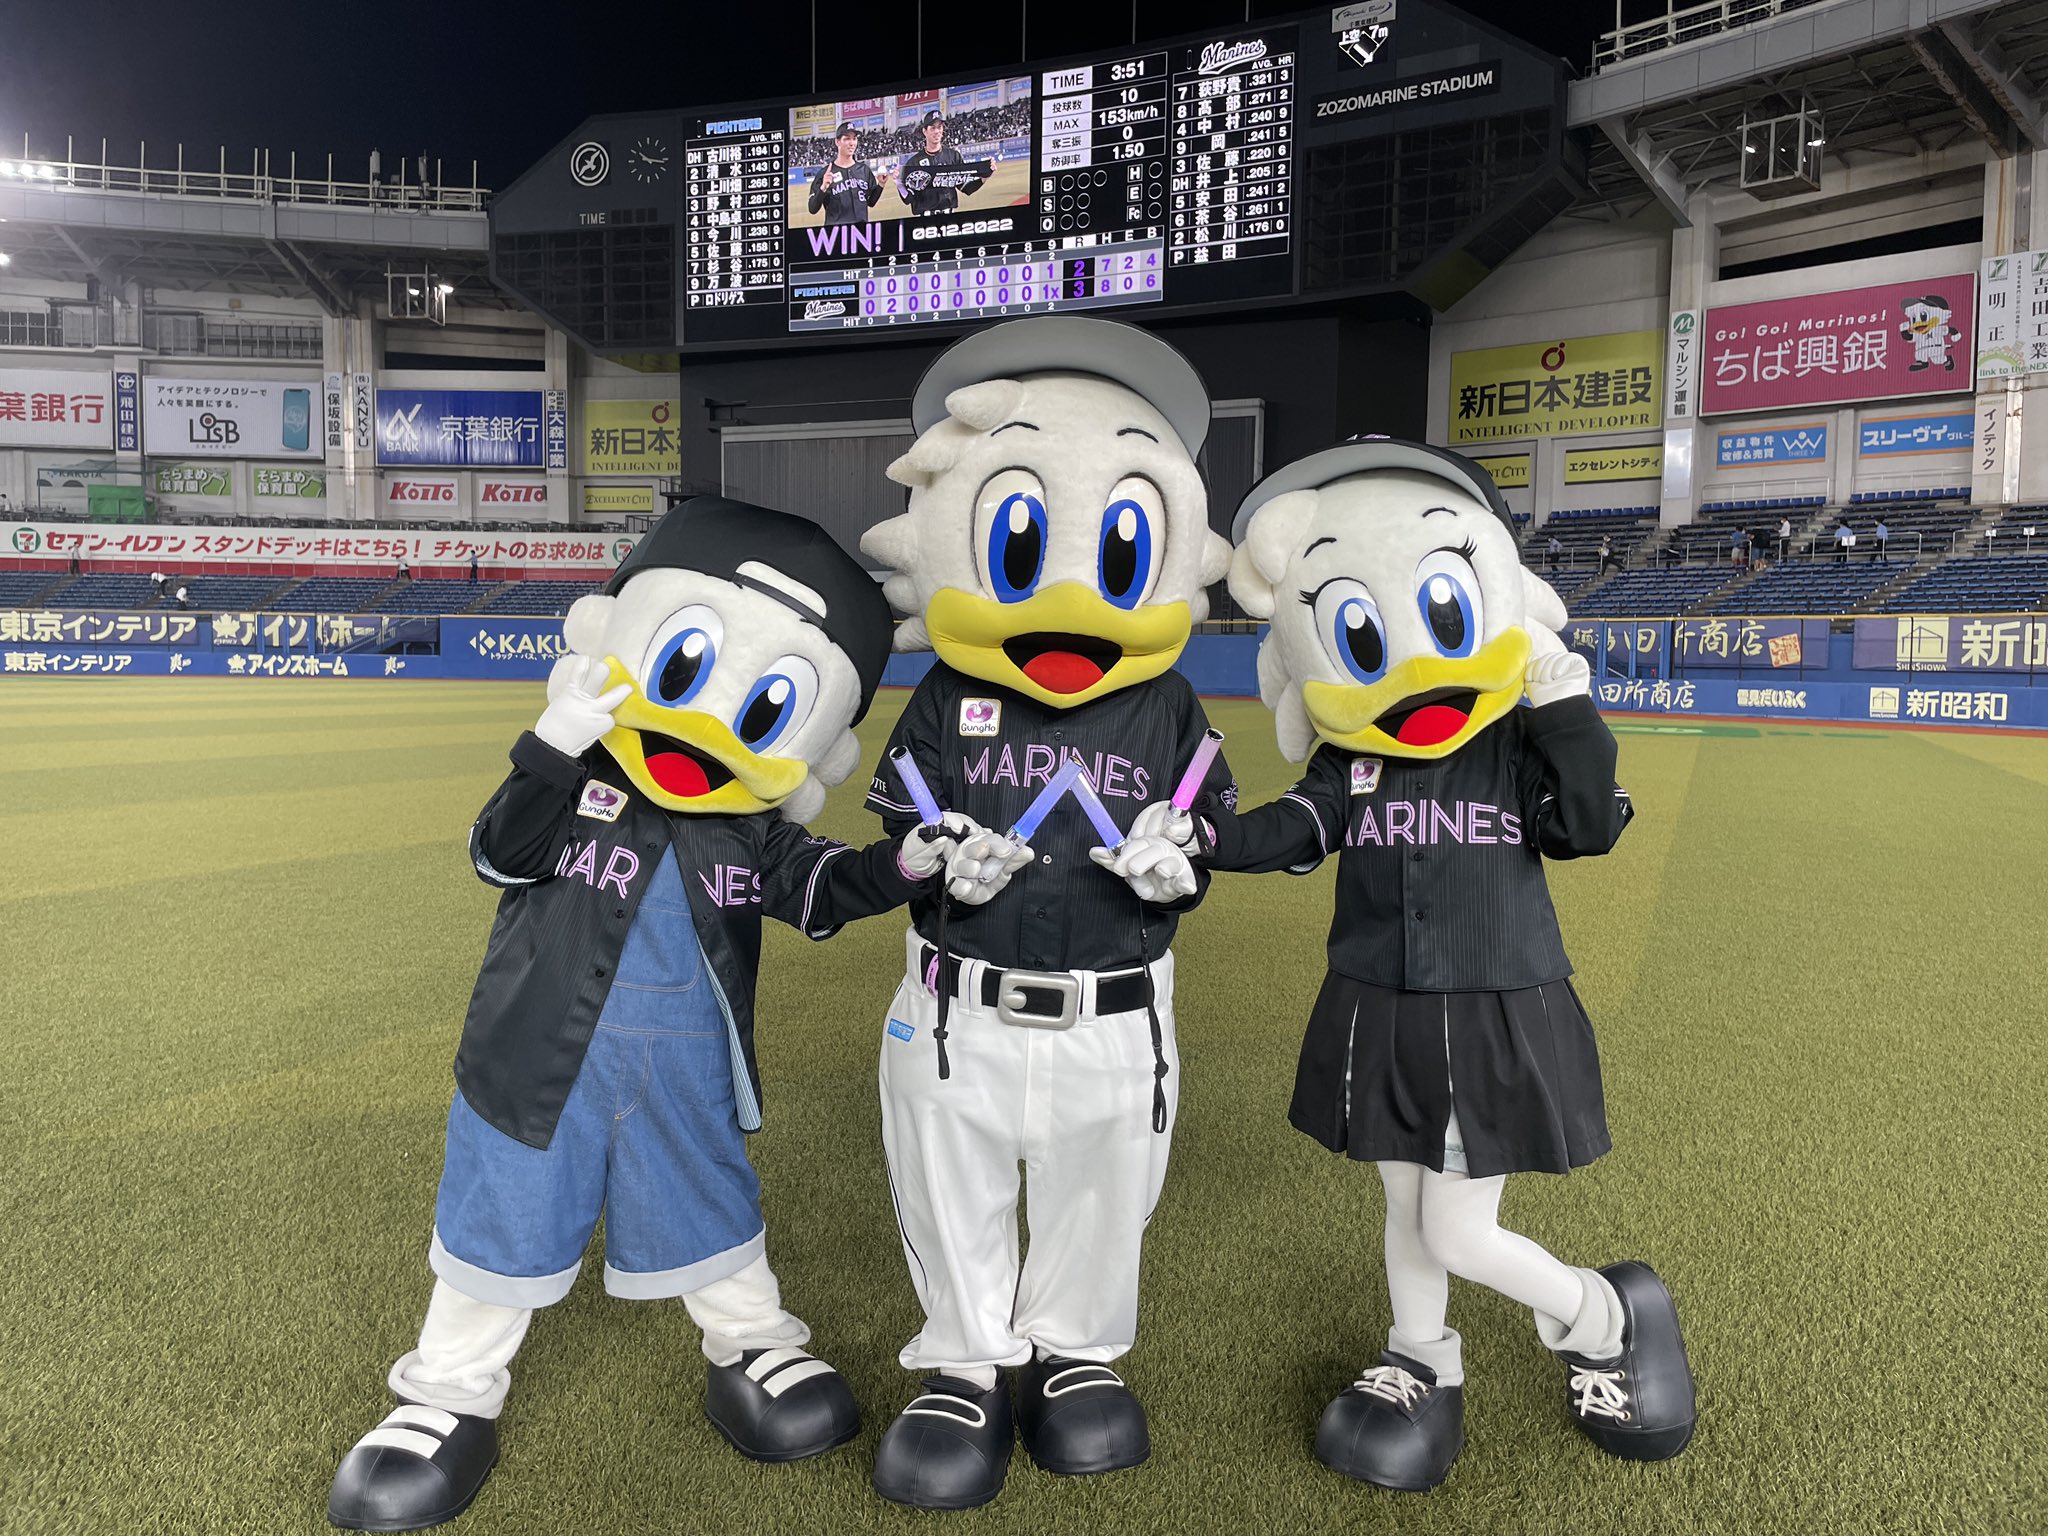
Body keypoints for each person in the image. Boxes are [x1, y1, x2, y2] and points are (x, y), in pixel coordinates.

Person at [325, 497, 1021, 1532]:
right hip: (534, 1060)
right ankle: (447, 1393)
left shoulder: (748, 830)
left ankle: (751, 1346)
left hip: (686, 1066)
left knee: (709, 1201)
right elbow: (498, 852)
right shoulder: (576, 782)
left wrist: (907, 864)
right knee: (503, 1210)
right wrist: (552, 745)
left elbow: (823, 888)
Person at [1167, 437, 1693, 1492]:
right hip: (1378, 1002)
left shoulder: (1513, 740)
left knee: (1454, 1227)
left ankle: (1602, 1317)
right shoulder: (1353, 752)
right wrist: (1201, 837)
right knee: (1404, 1204)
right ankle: (1420, 1355)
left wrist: (1565, 709)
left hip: (1490, 1003)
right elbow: (1296, 826)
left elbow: (1588, 827)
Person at [857, 316, 1235, 1509]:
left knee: (1102, 1183)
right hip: (955, 1002)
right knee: (947, 1177)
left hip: (1116, 1005)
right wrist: (930, 860)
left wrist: (1182, 862)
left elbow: (1204, 828)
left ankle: (1073, 1352)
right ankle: (967, 1362)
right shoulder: (945, 689)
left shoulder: (1168, 702)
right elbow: (899, 821)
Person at [896, 109, 991, 217]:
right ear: (924, 131)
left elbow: (965, 187)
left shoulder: (953, 156)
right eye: (932, 128)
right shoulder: (914, 162)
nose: (937, 131)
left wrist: (984, 177)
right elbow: (908, 199)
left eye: (939, 127)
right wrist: (899, 184)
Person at [807, 123, 890, 226]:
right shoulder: (825, 174)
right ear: (837, 142)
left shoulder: (864, 170)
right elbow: (812, 209)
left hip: (861, 231)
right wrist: (823, 188)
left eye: (854, 139)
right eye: (847, 139)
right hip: (837, 232)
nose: (852, 143)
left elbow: (871, 202)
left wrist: (881, 185)